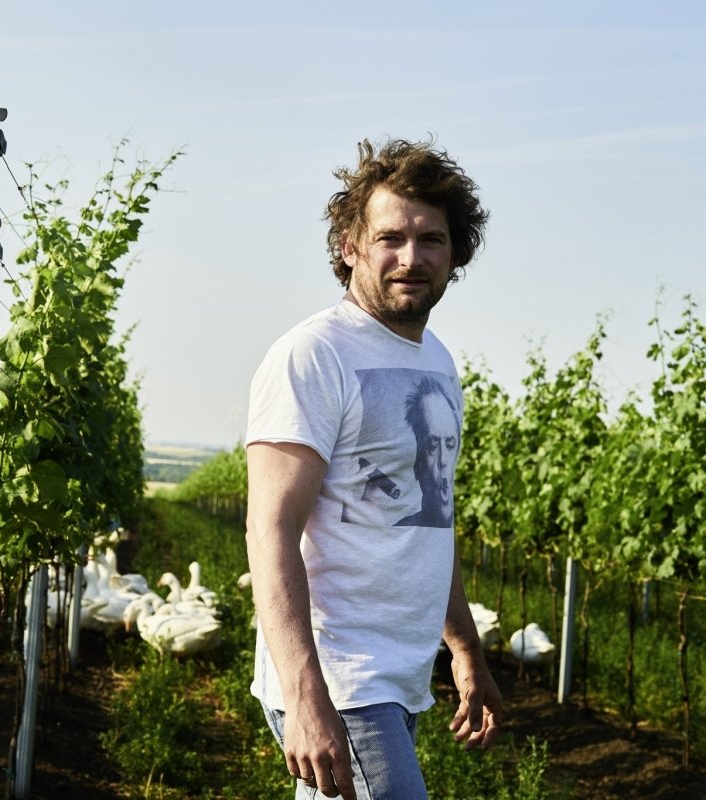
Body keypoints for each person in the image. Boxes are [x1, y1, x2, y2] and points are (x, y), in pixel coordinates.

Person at [244, 137, 503, 800]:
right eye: (390, 237)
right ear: (349, 245)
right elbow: (270, 531)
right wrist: (307, 698)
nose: (411, 258)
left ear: (457, 253)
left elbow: (426, 521)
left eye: (432, 240)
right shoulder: (313, 356)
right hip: (342, 677)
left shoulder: (437, 362)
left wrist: (466, 652)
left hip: (399, 675)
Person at [394, 377, 460, 528]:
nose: (443, 460)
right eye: (433, 445)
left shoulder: (446, 363)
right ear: (417, 463)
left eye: (450, 444)